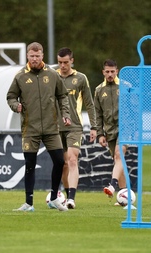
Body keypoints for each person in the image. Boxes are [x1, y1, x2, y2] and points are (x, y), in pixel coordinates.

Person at [7, 42, 71, 212]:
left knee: (59, 161)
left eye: (37, 56)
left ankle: (54, 198)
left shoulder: (52, 74)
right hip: (30, 129)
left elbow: (63, 95)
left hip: (51, 128)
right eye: (32, 56)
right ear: (27, 56)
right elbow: (11, 97)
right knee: (30, 164)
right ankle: (29, 203)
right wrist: (16, 106)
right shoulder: (20, 76)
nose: (34, 59)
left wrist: (65, 114)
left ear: (42, 56)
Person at [56, 47, 97, 209]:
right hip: (55, 128)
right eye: (60, 62)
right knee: (62, 164)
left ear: (72, 61)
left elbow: (89, 103)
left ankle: (71, 198)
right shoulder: (52, 76)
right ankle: (65, 195)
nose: (63, 65)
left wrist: (94, 126)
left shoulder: (80, 78)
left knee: (72, 160)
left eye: (66, 62)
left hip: (74, 126)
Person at [93, 59, 127, 201]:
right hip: (110, 131)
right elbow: (98, 114)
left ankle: (112, 185)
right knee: (118, 160)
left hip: (125, 128)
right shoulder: (99, 90)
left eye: (112, 71)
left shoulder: (126, 87)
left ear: (117, 71)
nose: (110, 74)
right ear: (103, 72)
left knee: (119, 155)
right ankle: (125, 196)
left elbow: (135, 109)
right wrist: (100, 133)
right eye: (107, 72)